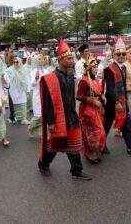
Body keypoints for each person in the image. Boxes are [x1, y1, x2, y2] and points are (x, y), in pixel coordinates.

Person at [38, 39, 91, 180]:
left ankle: (76, 170)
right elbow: (48, 102)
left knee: (74, 142)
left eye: (72, 58)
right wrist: (51, 121)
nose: (72, 61)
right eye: (68, 58)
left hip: (71, 116)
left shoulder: (70, 75)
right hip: (57, 118)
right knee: (56, 144)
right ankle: (44, 164)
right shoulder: (51, 78)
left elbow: (70, 99)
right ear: (60, 59)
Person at [103, 37, 131, 156]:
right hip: (112, 102)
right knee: (106, 125)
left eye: (123, 54)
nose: (121, 56)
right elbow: (110, 88)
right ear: (114, 56)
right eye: (119, 54)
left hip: (122, 99)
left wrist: (124, 100)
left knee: (126, 124)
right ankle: (101, 145)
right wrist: (116, 102)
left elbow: (124, 86)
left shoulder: (124, 67)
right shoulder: (109, 69)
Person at [76, 56, 106, 164]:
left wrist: (102, 96)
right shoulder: (84, 81)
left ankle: (96, 151)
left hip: (97, 109)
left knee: (99, 131)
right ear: (88, 68)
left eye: (97, 66)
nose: (96, 68)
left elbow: (99, 92)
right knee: (91, 132)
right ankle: (90, 154)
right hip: (88, 110)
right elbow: (78, 96)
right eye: (94, 67)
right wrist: (92, 101)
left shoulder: (96, 79)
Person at [28, 55, 48, 138]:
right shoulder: (33, 71)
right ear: (36, 61)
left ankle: (42, 134)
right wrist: (36, 78)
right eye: (39, 59)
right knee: (38, 115)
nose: (41, 60)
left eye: (42, 59)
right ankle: (30, 127)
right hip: (37, 95)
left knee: (44, 115)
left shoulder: (46, 70)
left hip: (46, 94)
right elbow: (32, 84)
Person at [6, 58, 29, 124]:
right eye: (14, 62)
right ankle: (13, 117)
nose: (15, 63)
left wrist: (27, 89)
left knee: (22, 103)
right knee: (13, 104)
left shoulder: (24, 70)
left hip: (21, 90)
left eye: (17, 62)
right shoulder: (9, 70)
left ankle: (23, 119)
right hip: (13, 90)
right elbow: (7, 80)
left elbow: (26, 80)